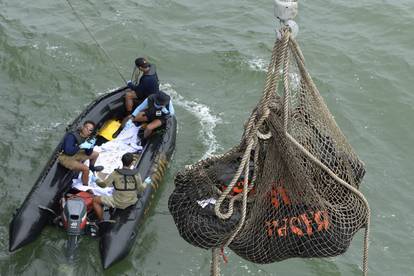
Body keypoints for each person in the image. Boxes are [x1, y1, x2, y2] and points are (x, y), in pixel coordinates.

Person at [92, 153, 147, 221]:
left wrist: (96, 180)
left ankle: (101, 220)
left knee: (95, 200)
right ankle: (111, 209)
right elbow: (140, 189)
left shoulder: (115, 173)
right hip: (132, 200)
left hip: (118, 202)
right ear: (132, 163)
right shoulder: (136, 174)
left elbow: (103, 185)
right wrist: (146, 183)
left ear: (122, 161)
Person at [58, 120, 103, 186]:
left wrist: (91, 146)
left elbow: (88, 154)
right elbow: (68, 152)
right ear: (82, 127)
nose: (87, 131)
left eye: (90, 130)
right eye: (86, 128)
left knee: (96, 154)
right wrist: (81, 146)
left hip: (75, 153)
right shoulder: (72, 136)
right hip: (65, 157)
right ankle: (85, 186)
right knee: (85, 169)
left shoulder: (88, 138)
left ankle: (92, 168)